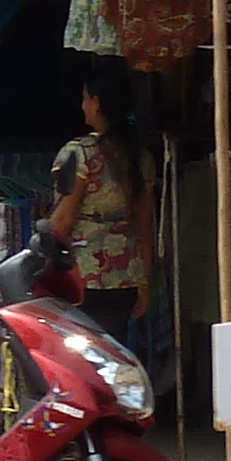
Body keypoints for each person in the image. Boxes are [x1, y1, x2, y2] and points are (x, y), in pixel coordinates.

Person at [42, 59, 152, 345]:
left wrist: (41, 264)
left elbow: (62, 221)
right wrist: (144, 282)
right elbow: (144, 224)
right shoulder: (140, 157)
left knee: (82, 359)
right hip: (126, 279)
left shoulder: (80, 154)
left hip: (83, 278)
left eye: (85, 99)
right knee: (112, 357)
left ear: (97, 103)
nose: (83, 106)